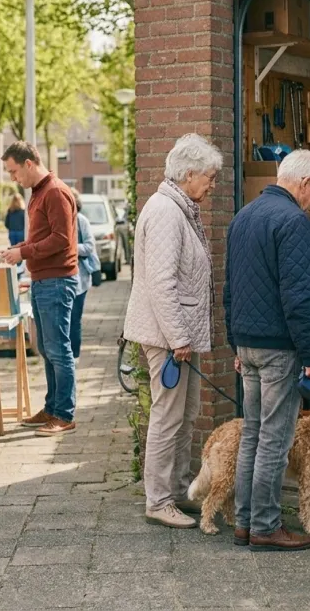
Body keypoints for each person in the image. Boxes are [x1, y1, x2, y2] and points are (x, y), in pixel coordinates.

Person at [224, 149, 310, 551]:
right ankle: (267, 526)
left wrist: (236, 341)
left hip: (248, 345)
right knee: (274, 438)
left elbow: (229, 288)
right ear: (303, 183)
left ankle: (245, 523)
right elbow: (298, 299)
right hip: (278, 349)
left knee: (252, 433)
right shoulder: (293, 221)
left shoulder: (242, 217)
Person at [123, 133, 223, 529]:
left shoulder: (179, 207)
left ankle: (179, 491)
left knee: (186, 414)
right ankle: (158, 500)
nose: (212, 185)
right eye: (209, 178)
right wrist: (179, 338)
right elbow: (161, 282)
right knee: (168, 417)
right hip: (169, 339)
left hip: (179, 336)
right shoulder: (166, 212)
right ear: (189, 174)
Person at [0, 141, 79, 437]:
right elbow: (43, 237)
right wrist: (19, 248)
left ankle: (64, 414)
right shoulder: (38, 193)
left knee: (59, 350)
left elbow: (61, 240)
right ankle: (52, 407)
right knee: (46, 349)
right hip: (43, 280)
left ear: (29, 164)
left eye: (14, 171)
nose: (13, 178)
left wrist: (24, 253)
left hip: (57, 281)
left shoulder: (55, 192)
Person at [69, 188, 99, 359]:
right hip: (62, 278)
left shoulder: (81, 221)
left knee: (75, 319)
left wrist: (70, 248)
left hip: (80, 279)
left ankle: (75, 356)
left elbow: (89, 246)